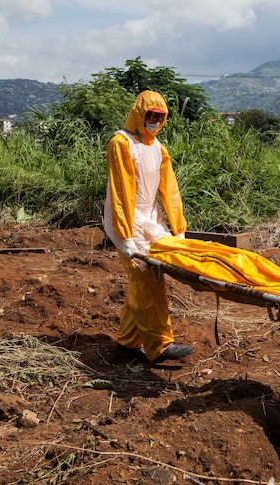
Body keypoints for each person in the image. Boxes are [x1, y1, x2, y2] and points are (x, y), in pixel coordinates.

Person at [103, 90, 195, 363]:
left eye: (160, 116)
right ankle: (159, 345)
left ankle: (128, 340)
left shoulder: (158, 148)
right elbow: (121, 191)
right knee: (146, 280)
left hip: (151, 220)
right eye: (150, 115)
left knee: (145, 279)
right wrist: (125, 235)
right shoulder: (121, 144)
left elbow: (170, 188)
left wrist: (178, 228)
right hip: (127, 221)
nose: (154, 120)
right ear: (139, 114)